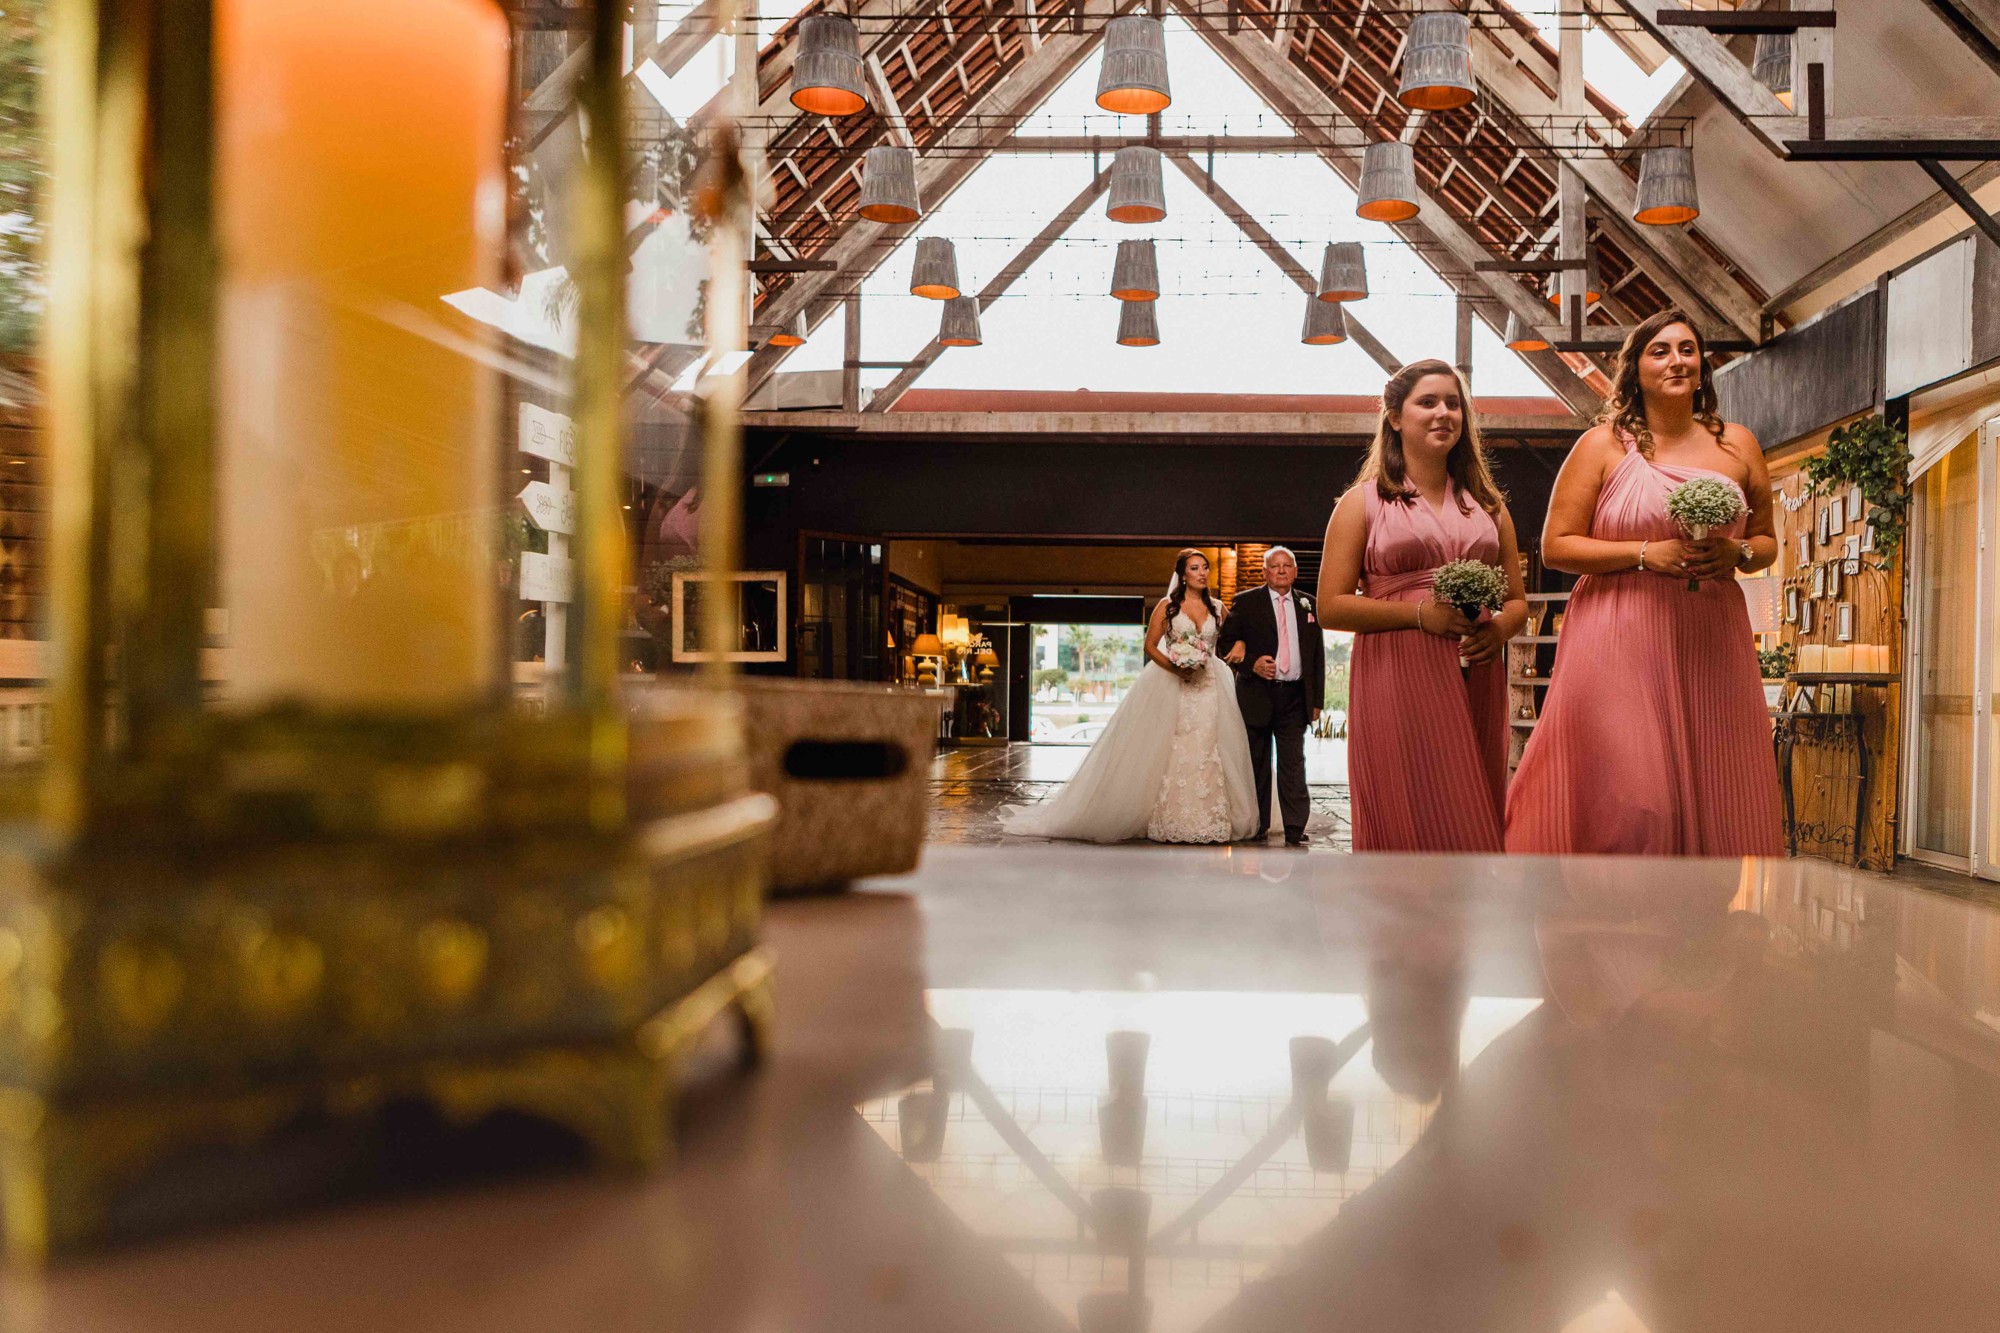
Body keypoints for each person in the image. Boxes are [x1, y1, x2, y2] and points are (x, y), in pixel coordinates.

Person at [1506, 309, 1783, 856]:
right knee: (1636, 793)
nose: (1677, 360)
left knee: (1708, 779)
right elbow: (1556, 545)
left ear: (1703, 365)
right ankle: (1608, 902)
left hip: (1708, 633)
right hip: (1616, 630)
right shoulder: (1602, 447)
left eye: (1687, 349)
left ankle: (1692, 909)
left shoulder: (1739, 447)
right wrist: (1643, 554)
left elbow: (1768, 541)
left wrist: (1736, 550)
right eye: (1660, 351)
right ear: (1635, 369)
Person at [1316, 359, 1527, 852]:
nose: (1443, 413)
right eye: (1427, 402)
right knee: (1405, 803)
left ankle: (1464, 918)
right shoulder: (1362, 503)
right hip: (1395, 673)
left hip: (1476, 670)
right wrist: (1417, 614)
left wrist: (1498, 631)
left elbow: (1516, 601)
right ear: (1394, 417)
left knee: (1471, 811)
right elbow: (1330, 606)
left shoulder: (1489, 506)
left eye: (1453, 403)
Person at [1005, 549, 1260, 844]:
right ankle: (1172, 817)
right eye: (1195, 568)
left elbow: (1235, 636)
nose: (1202, 573)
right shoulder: (1167, 607)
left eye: (1205, 567)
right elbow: (1150, 646)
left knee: (1210, 745)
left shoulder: (1218, 608)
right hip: (1173, 683)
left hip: (1211, 685)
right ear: (1183, 575)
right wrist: (1176, 668)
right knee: (1173, 745)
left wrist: (1240, 642)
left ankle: (1211, 818)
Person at [1217, 547, 1325, 846]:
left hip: (1294, 697)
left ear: (1295, 571)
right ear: (1265, 572)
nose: (1280, 571)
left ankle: (1294, 827)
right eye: (1274, 566)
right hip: (1257, 694)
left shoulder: (1309, 604)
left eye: (1286, 566)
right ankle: (1258, 825)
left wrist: (1317, 701)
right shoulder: (1246, 602)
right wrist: (1251, 662)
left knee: (1294, 764)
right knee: (1257, 763)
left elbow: (1317, 656)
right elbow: (1223, 645)